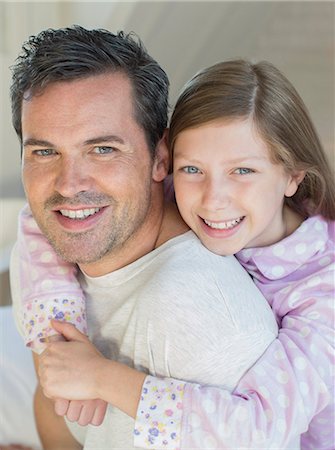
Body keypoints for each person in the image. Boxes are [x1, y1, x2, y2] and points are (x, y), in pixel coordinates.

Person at [15, 57, 335, 449]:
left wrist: (101, 377)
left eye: (243, 171)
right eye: (192, 169)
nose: (213, 200)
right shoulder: (164, 192)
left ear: (292, 176)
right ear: (166, 161)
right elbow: (40, 214)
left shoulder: (323, 296)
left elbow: (256, 430)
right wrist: (59, 327)